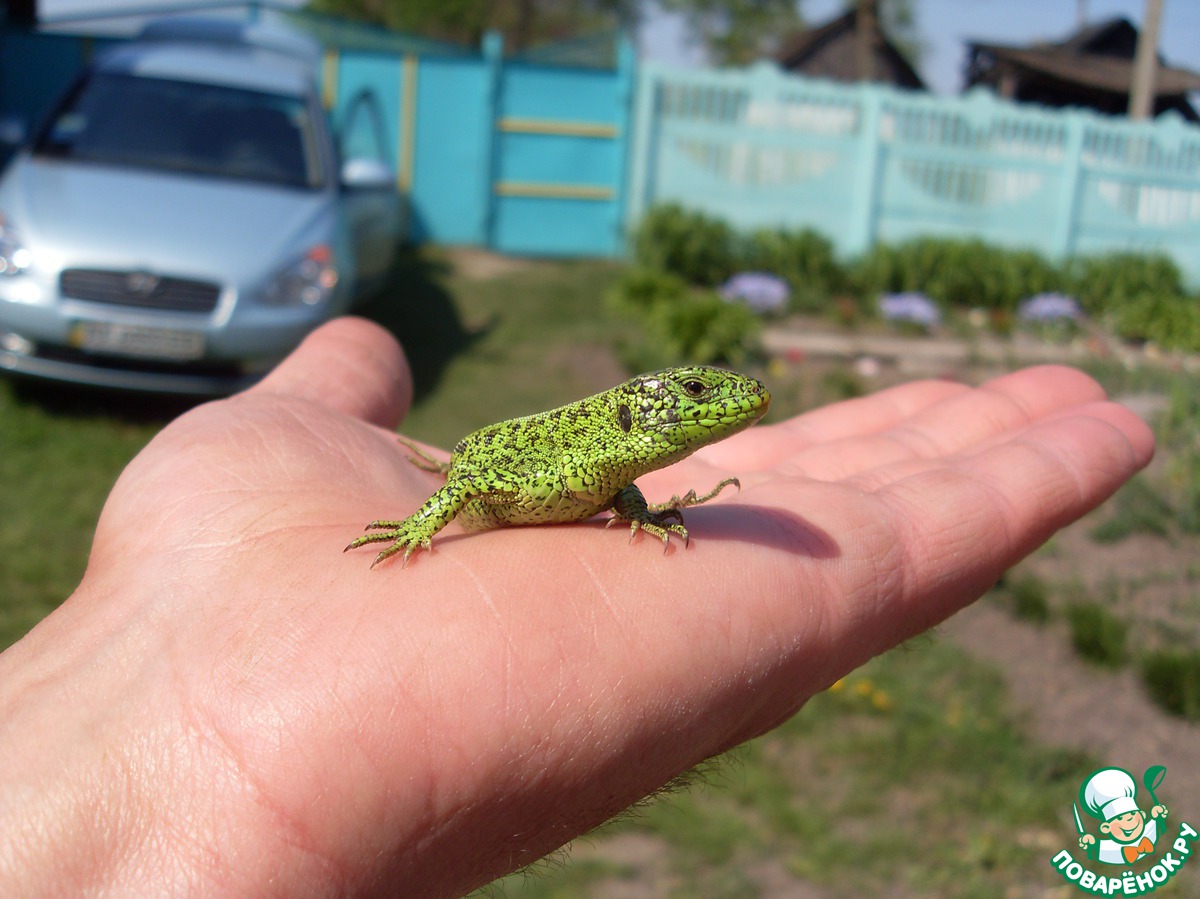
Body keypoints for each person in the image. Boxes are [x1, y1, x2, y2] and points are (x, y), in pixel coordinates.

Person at [0, 318, 1154, 897]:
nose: (727, 403)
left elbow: (613, 484)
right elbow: (472, 481)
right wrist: (419, 523)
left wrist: (643, 511)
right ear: (647, 406)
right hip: (482, 471)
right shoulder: (535, 457)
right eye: (696, 394)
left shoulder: (611, 466)